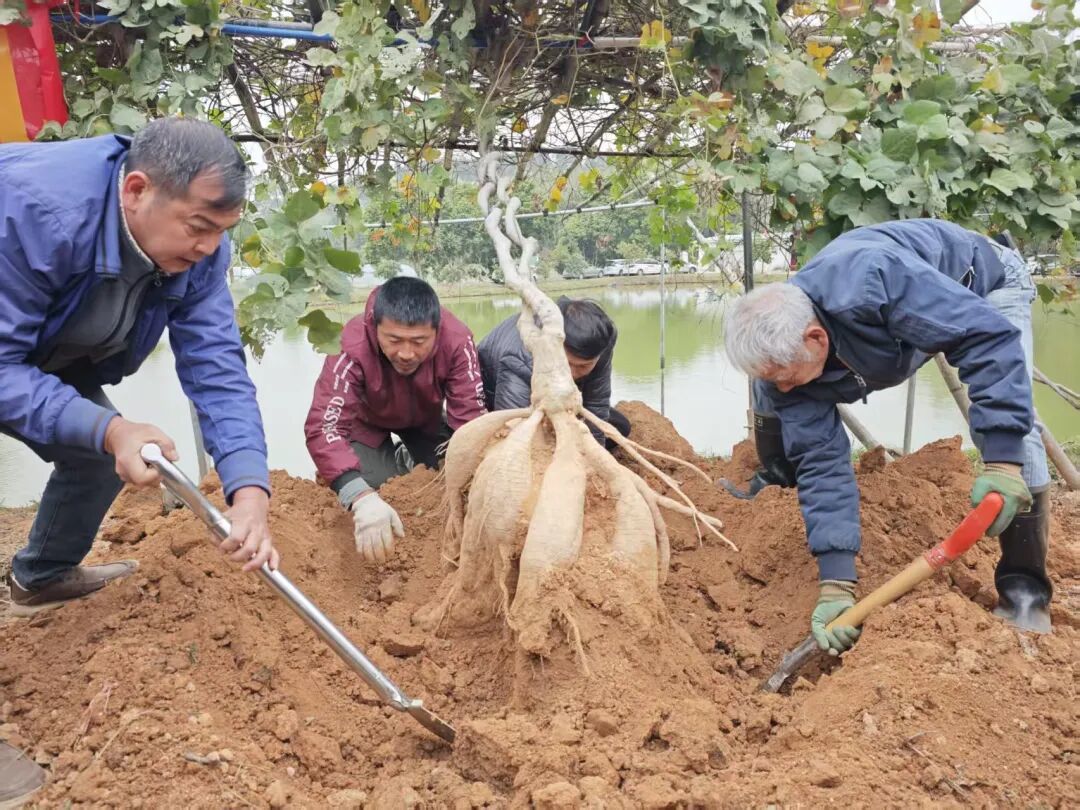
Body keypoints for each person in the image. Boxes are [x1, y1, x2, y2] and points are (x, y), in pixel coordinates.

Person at [723, 219, 1052, 650]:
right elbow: (822, 462)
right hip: (898, 329)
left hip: (985, 284)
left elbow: (986, 339)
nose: (783, 388)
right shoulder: (787, 365)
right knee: (781, 404)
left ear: (816, 338)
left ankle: (1025, 594)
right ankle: (773, 477)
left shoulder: (874, 281)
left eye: (785, 377)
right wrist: (836, 582)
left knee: (1018, 429)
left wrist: (1003, 460)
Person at [0, 118, 279, 616]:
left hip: (46, 348)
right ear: (136, 190)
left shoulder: (202, 255)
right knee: (107, 432)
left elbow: (218, 372)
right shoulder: (32, 212)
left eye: (222, 231)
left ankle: (39, 579)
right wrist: (111, 428)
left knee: (99, 448)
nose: (210, 247)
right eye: (198, 228)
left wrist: (249, 489)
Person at [304, 277, 486, 564]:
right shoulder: (350, 344)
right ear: (375, 328)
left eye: (419, 342)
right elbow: (323, 426)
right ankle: (389, 465)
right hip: (365, 425)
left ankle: (409, 459)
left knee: (448, 483)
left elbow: (471, 420)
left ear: (436, 332)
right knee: (380, 489)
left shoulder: (458, 340)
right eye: (393, 340)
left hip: (425, 420)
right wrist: (360, 496)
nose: (406, 353)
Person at [477, 296, 629, 445]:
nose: (572, 374)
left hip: (554, 397)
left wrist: (594, 456)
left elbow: (596, 404)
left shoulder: (600, 348)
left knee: (618, 428)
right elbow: (512, 424)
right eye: (567, 363)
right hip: (493, 397)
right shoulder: (523, 356)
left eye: (583, 366)